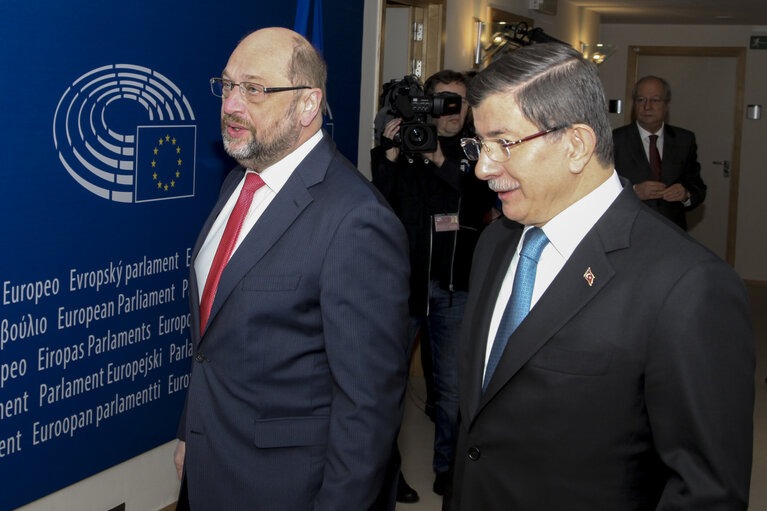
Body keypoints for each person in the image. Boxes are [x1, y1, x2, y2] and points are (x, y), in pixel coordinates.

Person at [449, 43, 754, 510]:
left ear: (576, 145)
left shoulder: (688, 285)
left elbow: (705, 490)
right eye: (479, 145)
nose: (484, 167)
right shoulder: (495, 243)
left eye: (503, 143)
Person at [173, 27, 411, 511]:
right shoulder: (239, 184)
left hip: (284, 489)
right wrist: (189, 434)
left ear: (308, 106)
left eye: (255, 89)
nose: (232, 105)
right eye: (227, 86)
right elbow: (213, 345)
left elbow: (367, 408)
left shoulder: (356, 220)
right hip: (208, 464)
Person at [372, 70, 497, 500]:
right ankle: (390, 475)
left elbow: (479, 201)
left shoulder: (475, 150)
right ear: (427, 103)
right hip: (403, 289)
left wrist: (440, 160)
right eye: (444, 101)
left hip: (453, 286)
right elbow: (378, 206)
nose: (453, 111)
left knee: (451, 389)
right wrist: (389, 154)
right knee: (388, 388)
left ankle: (448, 468)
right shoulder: (405, 145)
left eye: (461, 103)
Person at [613, 75, 706, 230]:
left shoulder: (684, 140)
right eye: (641, 100)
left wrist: (685, 195)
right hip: (628, 230)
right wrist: (634, 192)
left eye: (655, 100)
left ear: (667, 104)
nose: (647, 107)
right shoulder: (614, 140)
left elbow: (698, 187)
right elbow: (598, 190)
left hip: (671, 232)